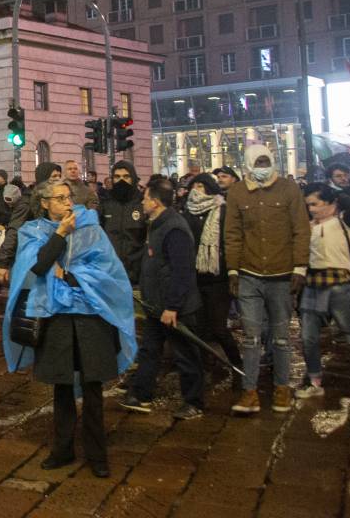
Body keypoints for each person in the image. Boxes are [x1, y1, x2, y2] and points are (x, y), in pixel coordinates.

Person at [5, 179, 136, 478]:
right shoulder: (33, 231)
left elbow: (105, 268)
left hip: (91, 315)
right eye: (60, 198)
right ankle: (62, 449)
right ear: (45, 203)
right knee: (61, 386)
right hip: (56, 317)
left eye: (69, 197)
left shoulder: (90, 228)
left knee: (93, 386)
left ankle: (96, 454)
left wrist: (72, 275)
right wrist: (61, 235)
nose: (68, 203)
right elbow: (37, 266)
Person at [226, 144, 310, 415]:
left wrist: (300, 267)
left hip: (282, 275)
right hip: (249, 275)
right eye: (258, 161)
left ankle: (281, 389)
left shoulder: (288, 189)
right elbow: (233, 234)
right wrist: (233, 271)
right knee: (250, 337)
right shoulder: (238, 192)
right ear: (249, 163)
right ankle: (249, 392)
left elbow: (301, 229)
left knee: (282, 338)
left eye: (266, 161)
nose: (263, 166)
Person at [121, 178, 206, 420]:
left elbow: (182, 271)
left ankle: (194, 401)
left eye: (145, 198)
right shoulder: (156, 224)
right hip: (155, 305)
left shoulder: (174, 228)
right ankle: (141, 394)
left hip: (174, 307)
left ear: (156, 202)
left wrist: (173, 306)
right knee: (149, 350)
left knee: (185, 354)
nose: (142, 202)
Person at [295, 184, 350, 399]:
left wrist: (337, 194)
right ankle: (314, 380)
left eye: (316, 203)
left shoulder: (344, 222)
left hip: (340, 286)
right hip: (312, 285)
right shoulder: (307, 226)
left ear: (331, 203)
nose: (312, 209)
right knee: (309, 337)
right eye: (308, 205)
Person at [180, 173, 243, 389]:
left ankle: (238, 366)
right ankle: (205, 367)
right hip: (195, 278)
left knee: (218, 327)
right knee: (199, 327)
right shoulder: (186, 211)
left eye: (202, 185)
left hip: (218, 278)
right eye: (194, 186)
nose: (198, 189)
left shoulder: (222, 210)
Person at [98, 160, 147, 283]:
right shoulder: (105, 204)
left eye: (126, 176)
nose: (121, 181)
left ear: (133, 178)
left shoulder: (143, 204)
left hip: (137, 273)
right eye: (117, 177)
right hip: (110, 272)